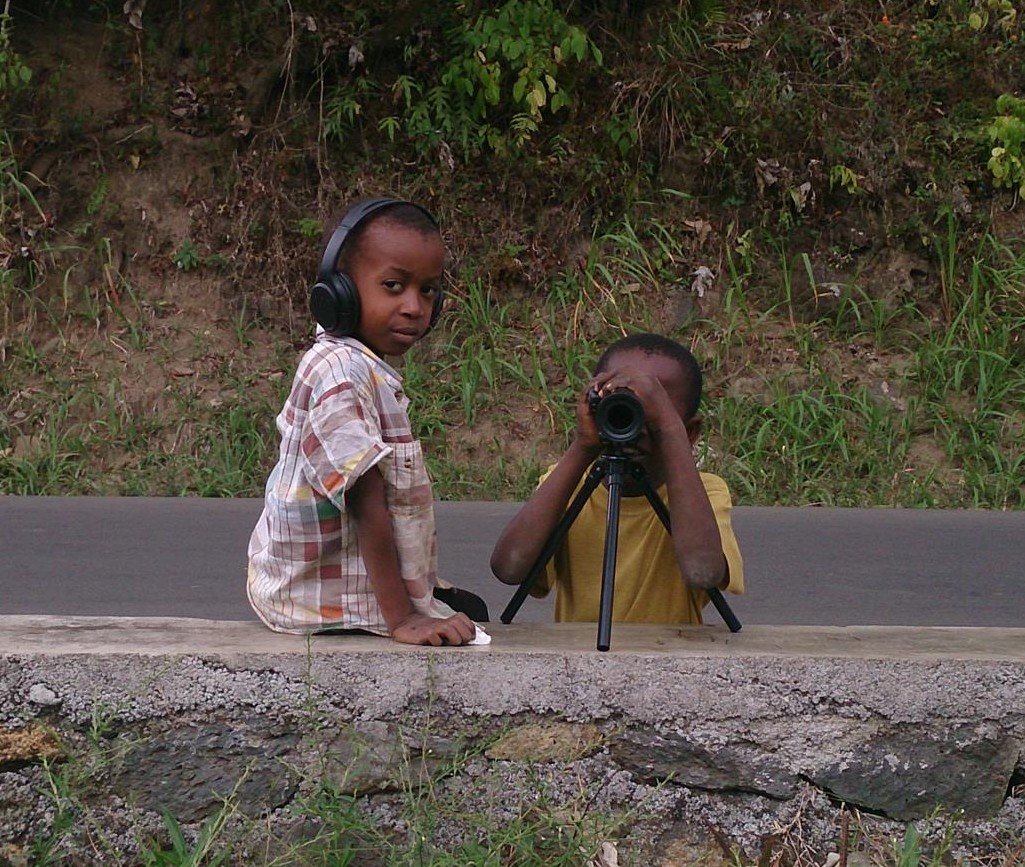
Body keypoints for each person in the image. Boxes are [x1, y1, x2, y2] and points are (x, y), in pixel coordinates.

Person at [247, 197, 488, 646]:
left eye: (429, 290)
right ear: (339, 292)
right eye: (394, 285)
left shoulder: (357, 365)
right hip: (318, 598)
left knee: (473, 612)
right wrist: (402, 620)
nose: (416, 307)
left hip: (335, 580)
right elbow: (367, 505)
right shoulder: (340, 376)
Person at [490, 332, 743, 624]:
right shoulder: (570, 487)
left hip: (669, 658)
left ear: (689, 431)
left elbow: (704, 571)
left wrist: (668, 429)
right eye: (621, 405)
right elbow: (509, 568)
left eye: (655, 413)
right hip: (579, 660)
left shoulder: (705, 492)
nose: (635, 423)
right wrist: (583, 447)